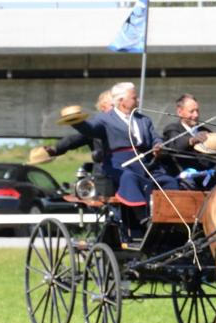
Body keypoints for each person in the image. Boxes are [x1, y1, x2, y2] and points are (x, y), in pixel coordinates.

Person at [69, 82, 178, 225]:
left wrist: (158, 145)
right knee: (129, 178)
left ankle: (170, 220)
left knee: (170, 181)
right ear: (121, 101)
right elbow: (90, 128)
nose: (138, 100)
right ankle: (143, 219)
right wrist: (76, 122)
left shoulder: (144, 120)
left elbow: (155, 137)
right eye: (134, 97)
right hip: (120, 166)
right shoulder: (105, 119)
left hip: (146, 165)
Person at [160, 93, 216, 188]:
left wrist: (213, 173)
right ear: (179, 112)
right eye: (192, 111)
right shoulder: (172, 129)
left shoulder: (206, 131)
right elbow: (175, 145)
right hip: (184, 182)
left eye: (197, 111)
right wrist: (192, 140)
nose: (196, 115)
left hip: (207, 180)